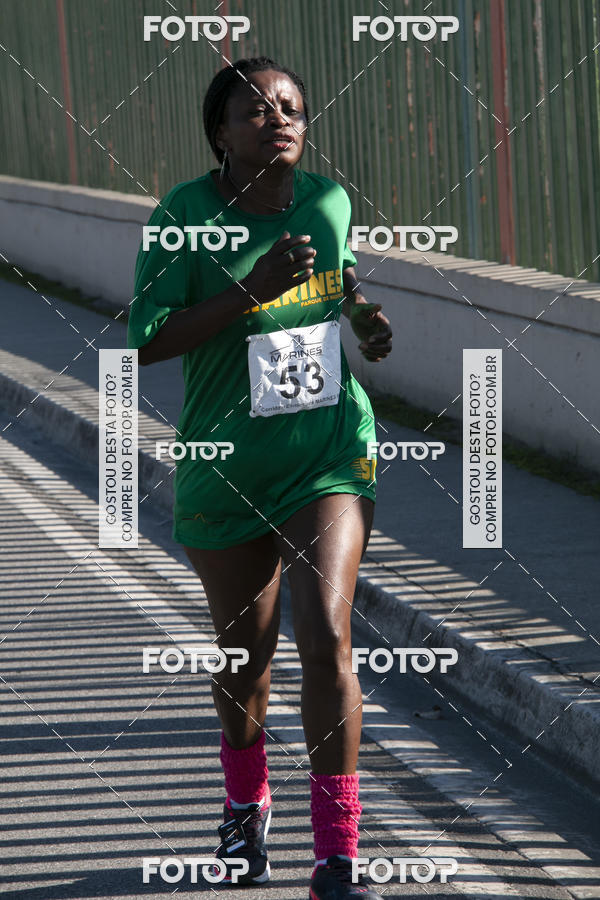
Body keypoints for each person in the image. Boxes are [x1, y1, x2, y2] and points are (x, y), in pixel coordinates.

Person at [127, 56, 392, 900]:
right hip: (226, 464)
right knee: (246, 661)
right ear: (220, 133)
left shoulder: (328, 198)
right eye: (255, 110)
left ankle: (336, 857)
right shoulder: (183, 214)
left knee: (326, 636)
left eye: (290, 108)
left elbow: (339, 277)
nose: (277, 118)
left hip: (326, 451)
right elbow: (149, 337)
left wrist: (363, 317)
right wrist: (249, 290)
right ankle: (246, 806)